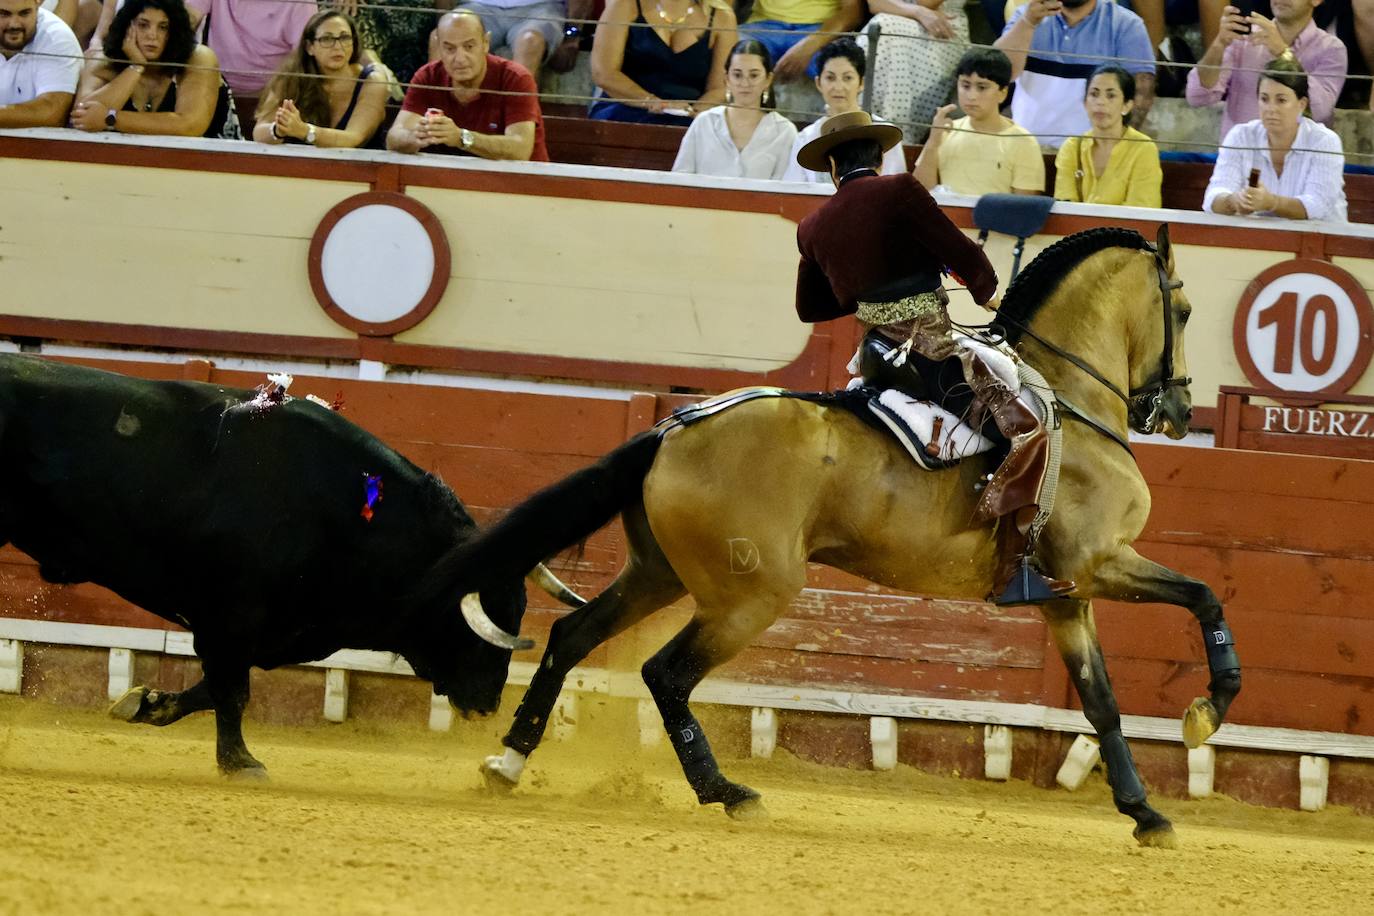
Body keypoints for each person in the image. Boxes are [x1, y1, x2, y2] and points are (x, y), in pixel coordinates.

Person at [793, 109, 1074, 605]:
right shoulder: (899, 189)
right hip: (930, 353)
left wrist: (858, 286)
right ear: (878, 157)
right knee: (1027, 427)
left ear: (833, 168)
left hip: (875, 356)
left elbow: (809, 307)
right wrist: (987, 290)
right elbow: (959, 251)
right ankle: (1012, 570)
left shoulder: (812, 226)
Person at [388, 10, 549, 161]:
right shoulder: (428, 76)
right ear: (439, 48)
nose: (460, 58)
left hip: (518, 183)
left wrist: (461, 137)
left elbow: (520, 148)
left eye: (469, 47)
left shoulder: (516, 78)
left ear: (485, 43)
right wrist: (417, 136)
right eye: (450, 48)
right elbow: (394, 138)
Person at [994, 0, 1156, 147]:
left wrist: (1113, 148)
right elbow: (998, 74)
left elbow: (1141, 96)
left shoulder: (1126, 25)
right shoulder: (1026, 16)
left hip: (1091, 154)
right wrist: (1027, 23)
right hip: (1027, 149)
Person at [1203, 56, 1347, 221]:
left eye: (1281, 100)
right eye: (1264, 99)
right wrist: (1234, 200)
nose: (1271, 109)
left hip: (1322, 240)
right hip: (1261, 239)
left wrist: (1271, 203)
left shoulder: (1324, 141)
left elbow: (1317, 206)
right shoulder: (1240, 136)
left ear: (1302, 104)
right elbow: (1212, 198)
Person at [69, 0, 238, 138]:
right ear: (127, 26)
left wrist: (110, 118)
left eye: (163, 27)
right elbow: (82, 117)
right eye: (143, 25)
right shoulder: (103, 61)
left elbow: (190, 126)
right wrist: (135, 67)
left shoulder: (199, 58)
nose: (152, 35)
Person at [1186, 1, 1346, 140]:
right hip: (1241, 162)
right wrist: (1218, 45)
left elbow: (1321, 111)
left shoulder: (1332, 49)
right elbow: (1197, 97)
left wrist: (1283, 54)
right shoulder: (1244, 39)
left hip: (1299, 165)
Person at [912, 47, 1045, 196]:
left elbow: (1024, 209)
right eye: (965, 85)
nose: (971, 96)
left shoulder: (1023, 141)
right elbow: (920, 195)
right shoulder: (945, 132)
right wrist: (933, 142)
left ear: (1003, 93)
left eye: (982, 87)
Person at [252, 9, 387, 149]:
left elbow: (353, 139)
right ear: (309, 47)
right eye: (327, 39)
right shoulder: (291, 78)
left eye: (344, 37)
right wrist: (278, 130)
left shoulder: (372, 81)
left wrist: (305, 131)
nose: (337, 46)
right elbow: (259, 132)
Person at [587, 0, 736, 125]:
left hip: (688, 115)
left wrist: (695, 113)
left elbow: (719, 87)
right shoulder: (624, 5)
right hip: (627, 107)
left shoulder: (722, 16)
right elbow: (604, 73)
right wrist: (653, 102)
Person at [780, 37, 907, 183]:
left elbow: (894, 188)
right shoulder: (806, 138)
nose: (838, 87)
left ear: (861, 83)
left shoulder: (884, 134)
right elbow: (794, 191)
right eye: (830, 78)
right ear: (818, 83)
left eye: (847, 78)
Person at [671, 39, 798, 179]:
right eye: (737, 75)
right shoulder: (704, 122)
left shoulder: (784, 131)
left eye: (754, 75)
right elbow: (680, 178)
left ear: (768, 80)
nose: (745, 83)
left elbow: (784, 191)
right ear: (727, 79)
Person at [857, 0, 969, 143]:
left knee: (885, 28)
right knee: (880, 27)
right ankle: (860, 124)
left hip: (943, 27)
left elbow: (926, 2)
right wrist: (917, 11)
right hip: (899, 20)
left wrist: (917, 10)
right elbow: (875, 3)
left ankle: (894, 135)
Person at [1054, 64, 1162, 206]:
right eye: (1094, 94)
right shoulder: (1072, 147)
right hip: (1077, 228)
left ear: (1127, 106)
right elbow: (1064, 205)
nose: (1100, 102)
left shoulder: (1143, 148)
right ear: (1085, 103)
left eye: (1111, 95)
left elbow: (1141, 211)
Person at [184, 0, 318, 98]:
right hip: (214, 87)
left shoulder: (303, 4)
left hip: (272, 96)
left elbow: (307, 58)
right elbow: (186, 19)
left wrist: (276, 97)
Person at [451, 0, 591, 80]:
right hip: (477, 5)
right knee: (441, 38)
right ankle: (437, 123)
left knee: (530, 41)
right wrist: (442, 23)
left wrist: (572, 36)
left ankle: (519, 124)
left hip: (542, 7)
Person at [0, 0, 81, 127]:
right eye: (3, 14)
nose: (14, 24)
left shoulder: (57, 39)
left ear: (38, 5)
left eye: (24, 13)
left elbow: (52, 113)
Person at [738, 0, 863, 82]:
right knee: (737, 57)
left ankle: (842, 122)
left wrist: (813, 42)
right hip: (761, 25)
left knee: (838, 69)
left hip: (821, 27)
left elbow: (853, 11)